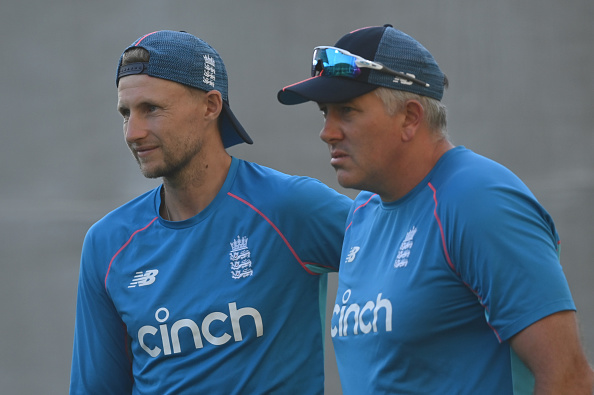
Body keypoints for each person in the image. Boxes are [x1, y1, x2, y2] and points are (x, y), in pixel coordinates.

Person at [277, 24, 594, 394]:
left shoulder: (479, 200)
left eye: (347, 110)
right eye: (324, 112)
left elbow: (569, 378)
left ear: (410, 117)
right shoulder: (364, 210)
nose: (327, 132)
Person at [69, 30, 352, 394]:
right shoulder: (107, 243)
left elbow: (410, 265)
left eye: (151, 109)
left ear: (210, 106)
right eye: (126, 113)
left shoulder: (290, 207)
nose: (132, 132)